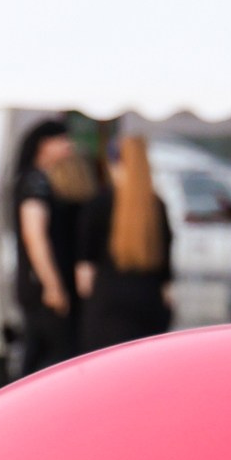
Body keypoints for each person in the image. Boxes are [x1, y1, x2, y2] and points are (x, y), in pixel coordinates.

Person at [74, 132, 173, 351]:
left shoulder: (97, 205)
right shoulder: (157, 206)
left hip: (107, 303)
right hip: (148, 301)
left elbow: (84, 275)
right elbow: (166, 274)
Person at [12, 117, 79, 372]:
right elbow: (34, 235)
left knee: (39, 354)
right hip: (41, 286)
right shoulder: (34, 184)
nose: (68, 146)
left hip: (39, 284)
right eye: (61, 140)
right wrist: (52, 284)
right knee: (53, 354)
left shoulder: (41, 181)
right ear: (44, 144)